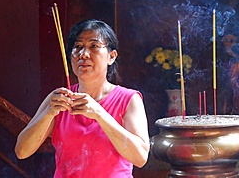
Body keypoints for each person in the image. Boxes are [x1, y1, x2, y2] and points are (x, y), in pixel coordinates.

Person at [15, 19, 150, 177]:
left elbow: (140, 158)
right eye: (77, 47)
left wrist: (99, 114)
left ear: (111, 56)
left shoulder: (128, 99)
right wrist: (49, 113)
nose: (83, 54)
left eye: (94, 46)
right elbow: (21, 151)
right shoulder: (59, 98)